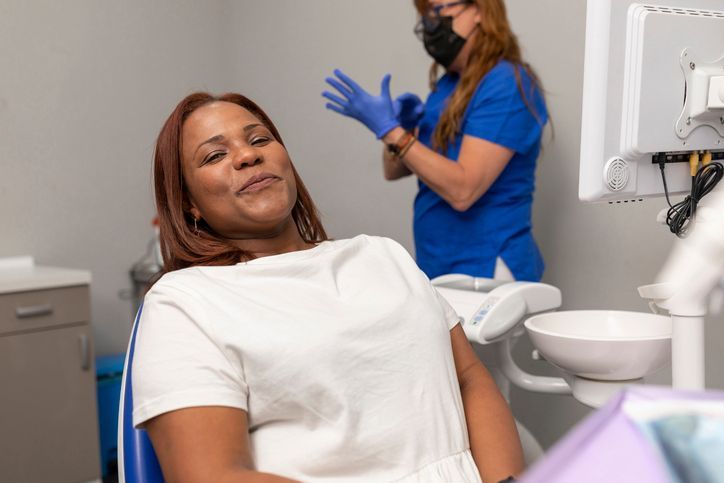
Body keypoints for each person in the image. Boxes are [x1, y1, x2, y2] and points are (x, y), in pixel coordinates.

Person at [132, 91, 524, 482]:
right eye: (215, 155)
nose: (247, 156)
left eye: (259, 139)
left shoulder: (384, 255)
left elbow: (469, 378)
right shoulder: (183, 303)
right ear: (189, 204)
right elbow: (212, 476)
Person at [323, 0, 548, 282]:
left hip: (486, 267)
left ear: (479, 10)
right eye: (426, 15)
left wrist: (391, 131)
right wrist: (400, 128)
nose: (431, 23)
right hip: (439, 263)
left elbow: (463, 191)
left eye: (439, 11)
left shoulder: (507, 83)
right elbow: (394, 170)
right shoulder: (447, 86)